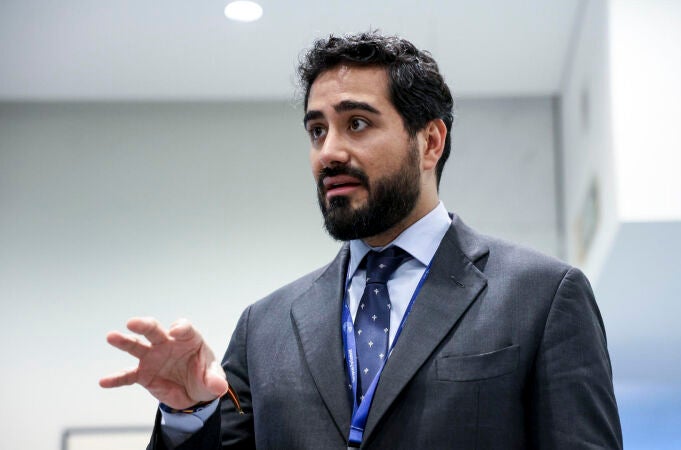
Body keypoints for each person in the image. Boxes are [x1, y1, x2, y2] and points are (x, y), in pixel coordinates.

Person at [100, 31, 623, 449]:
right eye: (316, 131)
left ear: (430, 142)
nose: (328, 152)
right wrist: (189, 415)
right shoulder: (265, 327)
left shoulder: (542, 297)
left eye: (356, 123)